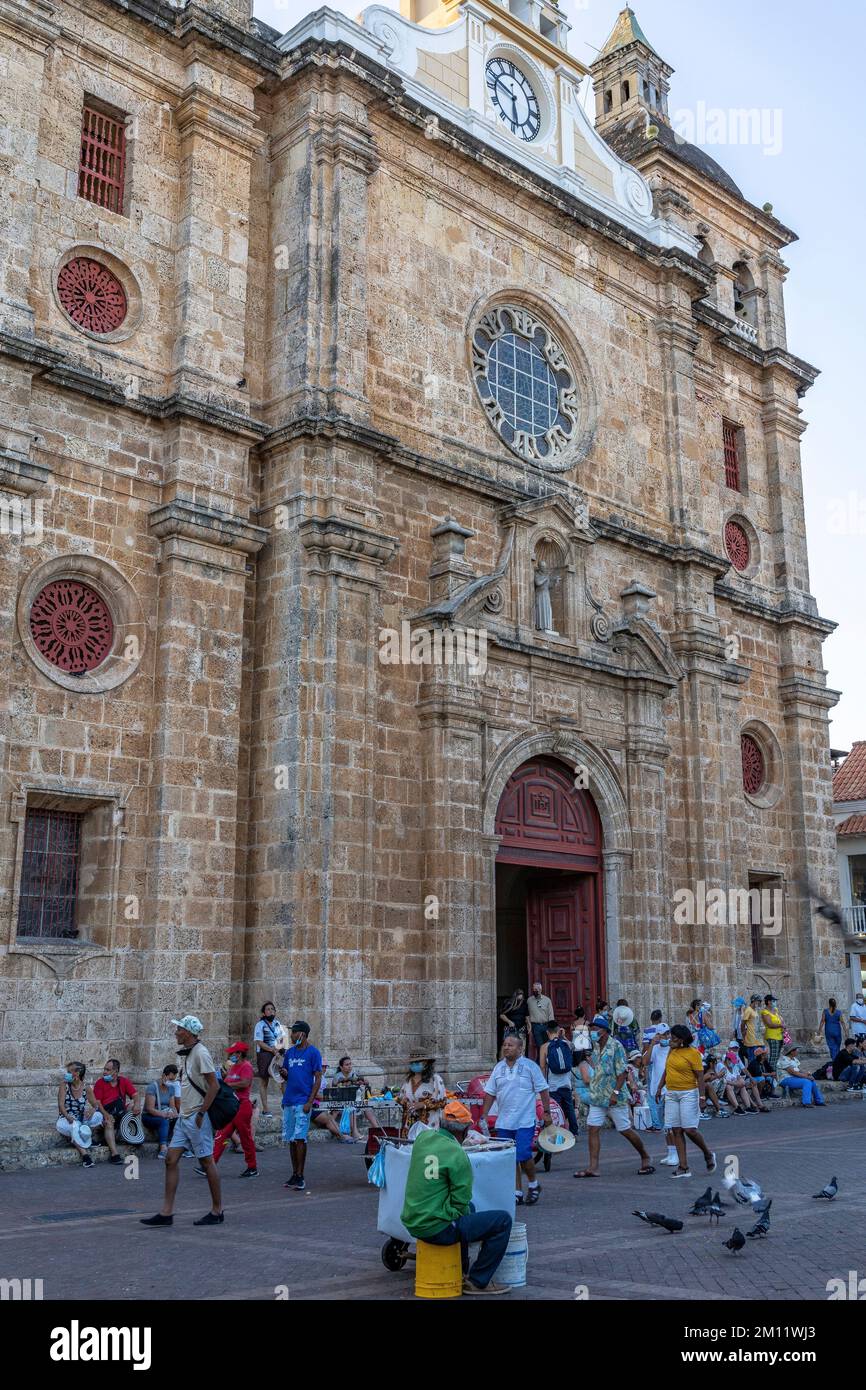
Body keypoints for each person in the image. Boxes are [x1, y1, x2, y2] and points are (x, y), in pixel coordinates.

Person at [401, 1101, 513, 1296]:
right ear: (465, 1130)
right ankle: (478, 1281)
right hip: (435, 1228)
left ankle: (461, 1270)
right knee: (502, 1220)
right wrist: (453, 1216)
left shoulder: (423, 1139)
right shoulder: (457, 1154)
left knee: (470, 1209)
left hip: (411, 1220)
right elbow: (459, 1202)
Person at [140, 1015, 223, 1227]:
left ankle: (217, 1210)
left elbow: (214, 1086)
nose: (175, 1032)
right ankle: (166, 1212)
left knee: (206, 1161)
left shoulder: (201, 1053)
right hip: (185, 1117)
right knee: (170, 1159)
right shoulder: (189, 1054)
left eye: (178, 1029)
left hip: (196, 1117)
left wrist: (202, 1113)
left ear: (187, 1032)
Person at [574, 1014, 655, 1178]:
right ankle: (593, 1167)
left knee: (625, 1129)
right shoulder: (596, 1047)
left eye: (595, 1029)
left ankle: (645, 1156)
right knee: (593, 1128)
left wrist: (615, 1092)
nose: (592, 1032)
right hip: (598, 1095)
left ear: (603, 1031)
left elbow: (622, 1071)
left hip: (613, 1096)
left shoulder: (615, 1046)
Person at [480, 1034, 552, 1205]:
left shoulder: (530, 1067)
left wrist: (547, 1112)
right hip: (504, 1121)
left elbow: (543, 1089)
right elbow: (490, 1092)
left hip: (525, 1120)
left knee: (523, 1154)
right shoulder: (498, 1068)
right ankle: (517, 1191)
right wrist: (484, 1114)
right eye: (505, 1044)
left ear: (520, 1049)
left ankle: (533, 1184)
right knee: (510, 1157)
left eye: (511, 1045)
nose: (506, 1047)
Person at [655, 1024, 716, 1179]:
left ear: (681, 1040)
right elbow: (667, 1070)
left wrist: (702, 1098)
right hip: (671, 1093)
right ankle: (683, 1167)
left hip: (688, 1093)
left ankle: (708, 1154)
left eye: (673, 1038)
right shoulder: (672, 1051)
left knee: (690, 1130)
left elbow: (700, 1077)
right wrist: (659, 1087)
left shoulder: (693, 1054)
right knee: (676, 1130)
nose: (670, 1040)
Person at [280, 1020, 323, 1192]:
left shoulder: (313, 1053)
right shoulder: (289, 1053)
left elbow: (318, 1078)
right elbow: (285, 1076)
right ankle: (294, 1174)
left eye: (294, 1033)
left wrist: (309, 1101)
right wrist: (284, 1075)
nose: (291, 1036)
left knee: (300, 1139)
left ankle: (301, 1175)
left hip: (303, 1102)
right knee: (291, 1139)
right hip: (289, 1101)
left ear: (303, 1034)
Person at [210, 1042, 257, 1177]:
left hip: (242, 1106)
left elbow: (245, 1083)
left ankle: (252, 1166)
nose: (230, 1055)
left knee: (245, 1136)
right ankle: (211, 1164)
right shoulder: (234, 1067)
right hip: (232, 1106)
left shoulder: (246, 1066)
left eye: (233, 1053)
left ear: (239, 1053)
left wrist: (228, 1085)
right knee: (221, 1135)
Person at [91, 1058, 140, 1165]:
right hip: (106, 1112)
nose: (104, 1072)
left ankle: (133, 1137)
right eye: (104, 1069)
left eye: (108, 1070)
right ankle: (114, 1154)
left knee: (132, 1106)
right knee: (109, 1122)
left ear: (116, 1071)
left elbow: (135, 1095)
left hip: (119, 1111)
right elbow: (98, 1103)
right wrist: (106, 1115)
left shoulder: (123, 1081)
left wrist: (136, 1105)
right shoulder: (100, 1083)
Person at [327, 1055, 381, 1141]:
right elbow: (338, 1084)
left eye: (350, 1064)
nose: (349, 1066)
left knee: (367, 1108)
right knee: (351, 1108)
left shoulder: (354, 1075)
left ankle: (378, 1130)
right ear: (341, 1067)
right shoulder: (338, 1076)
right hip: (341, 1104)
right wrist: (351, 1081)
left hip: (354, 1101)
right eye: (347, 1065)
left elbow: (360, 1082)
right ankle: (354, 1132)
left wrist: (363, 1082)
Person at [539, 1020, 579, 1136]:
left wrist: (543, 1085)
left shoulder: (545, 1047)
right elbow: (574, 1047)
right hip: (566, 1083)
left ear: (547, 1032)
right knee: (569, 1108)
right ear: (558, 1030)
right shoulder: (566, 1044)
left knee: (556, 1109)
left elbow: (542, 1066)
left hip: (553, 1084)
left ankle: (558, 1132)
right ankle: (574, 1132)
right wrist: (564, 1036)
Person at [56, 1061, 100, 1166]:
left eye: (70, 1071)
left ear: (78, 1073)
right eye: (68, 1071)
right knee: (74, 1127)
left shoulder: (86, 1088)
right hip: (66, 1119)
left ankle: (85, 1136)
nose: (68, 1074)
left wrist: (92, 1110)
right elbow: (61, 1105)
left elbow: (95, 1104)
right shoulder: (64, 1085)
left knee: (98, 1116)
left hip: (80, 1118)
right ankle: (85, 1155)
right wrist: (67, 1116)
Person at [398, 1053, 447, 1132]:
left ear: (426, 1063)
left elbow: (442, 1101)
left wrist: (423, 1104)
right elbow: (401, 1097)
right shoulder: (408, 1080)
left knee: (426, 1142)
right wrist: (407, 1103)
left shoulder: (435, 1079)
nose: (414, 1065)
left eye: (417, 1063)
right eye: (412, 1063)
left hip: (429, 1123)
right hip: (410, 1124)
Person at [253, 1001, 284, 1116]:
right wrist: (272, 1050)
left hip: (276, 1054)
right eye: (268, 1009)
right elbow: (259, 1042)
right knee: (264, 1081)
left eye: (272, 1009)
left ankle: (286, 1104)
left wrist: (279, 1049)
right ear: (264, 1013)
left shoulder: (277, 1024)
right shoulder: (260, 1025)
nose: (271, 1011)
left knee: (282, 1078)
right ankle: (265, 1109)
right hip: (264, 1054)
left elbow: (281, 1039)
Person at [143, 1065, 181, 1158]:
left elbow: (172, 1106)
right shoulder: (153, 1087)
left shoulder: (171, 1088)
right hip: (150, 1116)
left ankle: (180, 1147)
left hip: (165, 1113)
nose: (171, 1082)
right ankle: (163, 1148)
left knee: (180, 1120)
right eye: (170, 1079)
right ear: (164, 1075)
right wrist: (164, 1114)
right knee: (164, 1121)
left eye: (173, 1080)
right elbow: (149, 1108)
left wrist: (174, 1113)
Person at [642, 1015, 669, 1132]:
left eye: (668, 1033)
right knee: (657, 1107)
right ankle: (658, 1126)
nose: (666, 1036)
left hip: (670, 1086)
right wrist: (652, 1044)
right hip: (657, 1085)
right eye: (663, 1034)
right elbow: (645, 1062)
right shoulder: (655, 1048)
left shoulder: (673, 1047)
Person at [527, 982, 555, 1059]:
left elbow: (551, 1014)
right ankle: (540, 1063)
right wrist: (528, 1025)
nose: (535, 991)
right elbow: (527, 1014)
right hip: (536, 1026)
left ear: (541, 990)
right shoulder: (529, 1000)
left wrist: (551, 1028)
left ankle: (548, 1061)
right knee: (540, 1045)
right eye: (534, 989)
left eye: (537, 989)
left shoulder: (547, 1000)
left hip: (546, 1026)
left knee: (547, 1045)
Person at [760, 995, 785, 1068]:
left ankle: (774, 1072)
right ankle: (770, 1074)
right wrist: (781, 1025)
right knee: (773, 1056)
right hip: (772, 1036)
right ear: (768, 1002)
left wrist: (782, 1024)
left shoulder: (775, 1010)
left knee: (777, 1055)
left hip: (779, 1035)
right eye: (773, 1001)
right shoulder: (765, 1012)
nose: (775, 1002)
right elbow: (770, 1024)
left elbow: (781, 1019)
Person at [741, 993, 763, 1062]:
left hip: (758, 1038)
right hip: (751, 1038)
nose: (759, 1003)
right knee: (752, 1058)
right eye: (759, 1001)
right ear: (754, 1001)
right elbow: (742, 1024)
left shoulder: (755, 1010)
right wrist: (743, 1035)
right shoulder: (748, 1010)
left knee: (761, 1056)